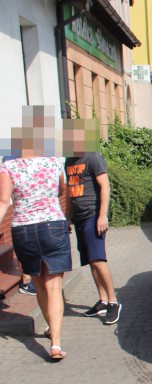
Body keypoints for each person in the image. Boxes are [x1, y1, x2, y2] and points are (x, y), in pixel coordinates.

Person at [0, 114, 72, 360]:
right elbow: (62, 190)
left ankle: (51, 327)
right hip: (53, 224)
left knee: (38, 283)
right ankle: (56, 343)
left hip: (23, 228)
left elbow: (3, 201)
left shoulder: (8, 166)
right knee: (54, 286)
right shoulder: (53, 163)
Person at [64, 130, 121, 325]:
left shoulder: (93, 157)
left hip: (93, 215)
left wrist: (102, 215)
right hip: (79, 218)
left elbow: (105, 186)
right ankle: (102, 300)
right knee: (90, 260)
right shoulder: (69, 161)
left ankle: (113, 302)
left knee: (98, 259)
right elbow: (71, 192)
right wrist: (67, 217)